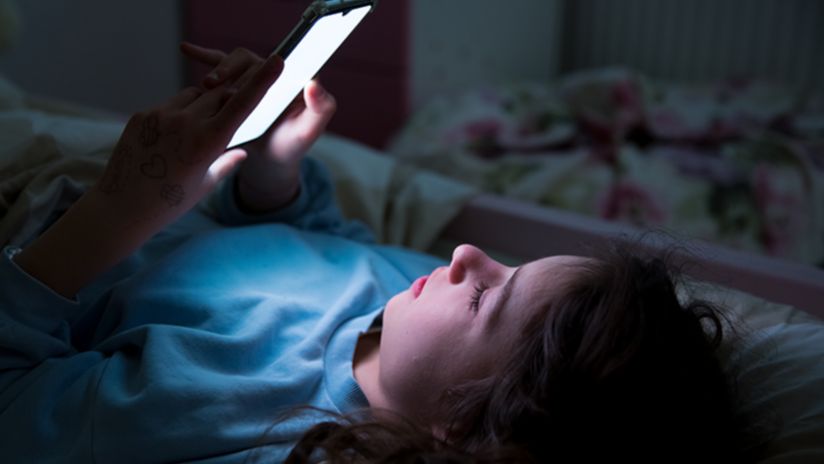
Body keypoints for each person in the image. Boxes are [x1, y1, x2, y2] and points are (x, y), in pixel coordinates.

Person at [0, 45, 747, 463]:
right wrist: (274, 173)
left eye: (488, 298)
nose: (465, 253)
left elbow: (15, 401)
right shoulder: (401, 290)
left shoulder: (232, 421)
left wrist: (114, 215)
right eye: (508, 265)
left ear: (460, 427)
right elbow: (325, 238)